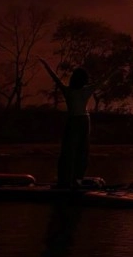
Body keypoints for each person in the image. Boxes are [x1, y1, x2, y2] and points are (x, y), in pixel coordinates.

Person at [39, 59, 94, 188]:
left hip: (77, 120)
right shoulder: (82, 90)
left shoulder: (70, 90)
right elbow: (104, 80)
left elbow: (55, 78)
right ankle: (73, 178)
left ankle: (70, 178)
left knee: (71, 150)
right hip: (82, 120)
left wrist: (46, 65)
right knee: (80, 150)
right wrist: (114, 69)